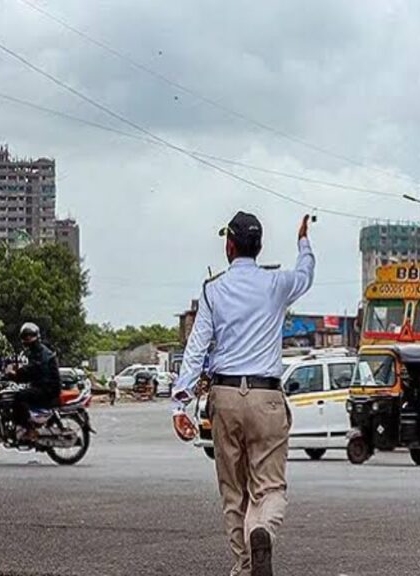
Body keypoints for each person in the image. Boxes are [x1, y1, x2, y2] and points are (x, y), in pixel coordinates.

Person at [171, 211, 315, 576]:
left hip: (226, 396)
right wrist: (303, 241)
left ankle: (243, 566)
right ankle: (263, 528)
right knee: (269, 488)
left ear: (229, 246)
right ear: (260, 246)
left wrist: (180, 402)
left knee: (233, 492)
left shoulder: (213, 290)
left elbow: (197, 346)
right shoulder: (277, 284)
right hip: (267, 398)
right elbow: (306, 274)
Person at [8, 323, 61, 439]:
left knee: (19, 396)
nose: (27, 339)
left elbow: (33, 369)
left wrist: (17, 373)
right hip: (43, 385)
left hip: (48, 388)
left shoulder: (41, 352)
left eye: (30, 336)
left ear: (36, 336)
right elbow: (31, 371)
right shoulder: (35, 351)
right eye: (25, 336)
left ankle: (29, 429)